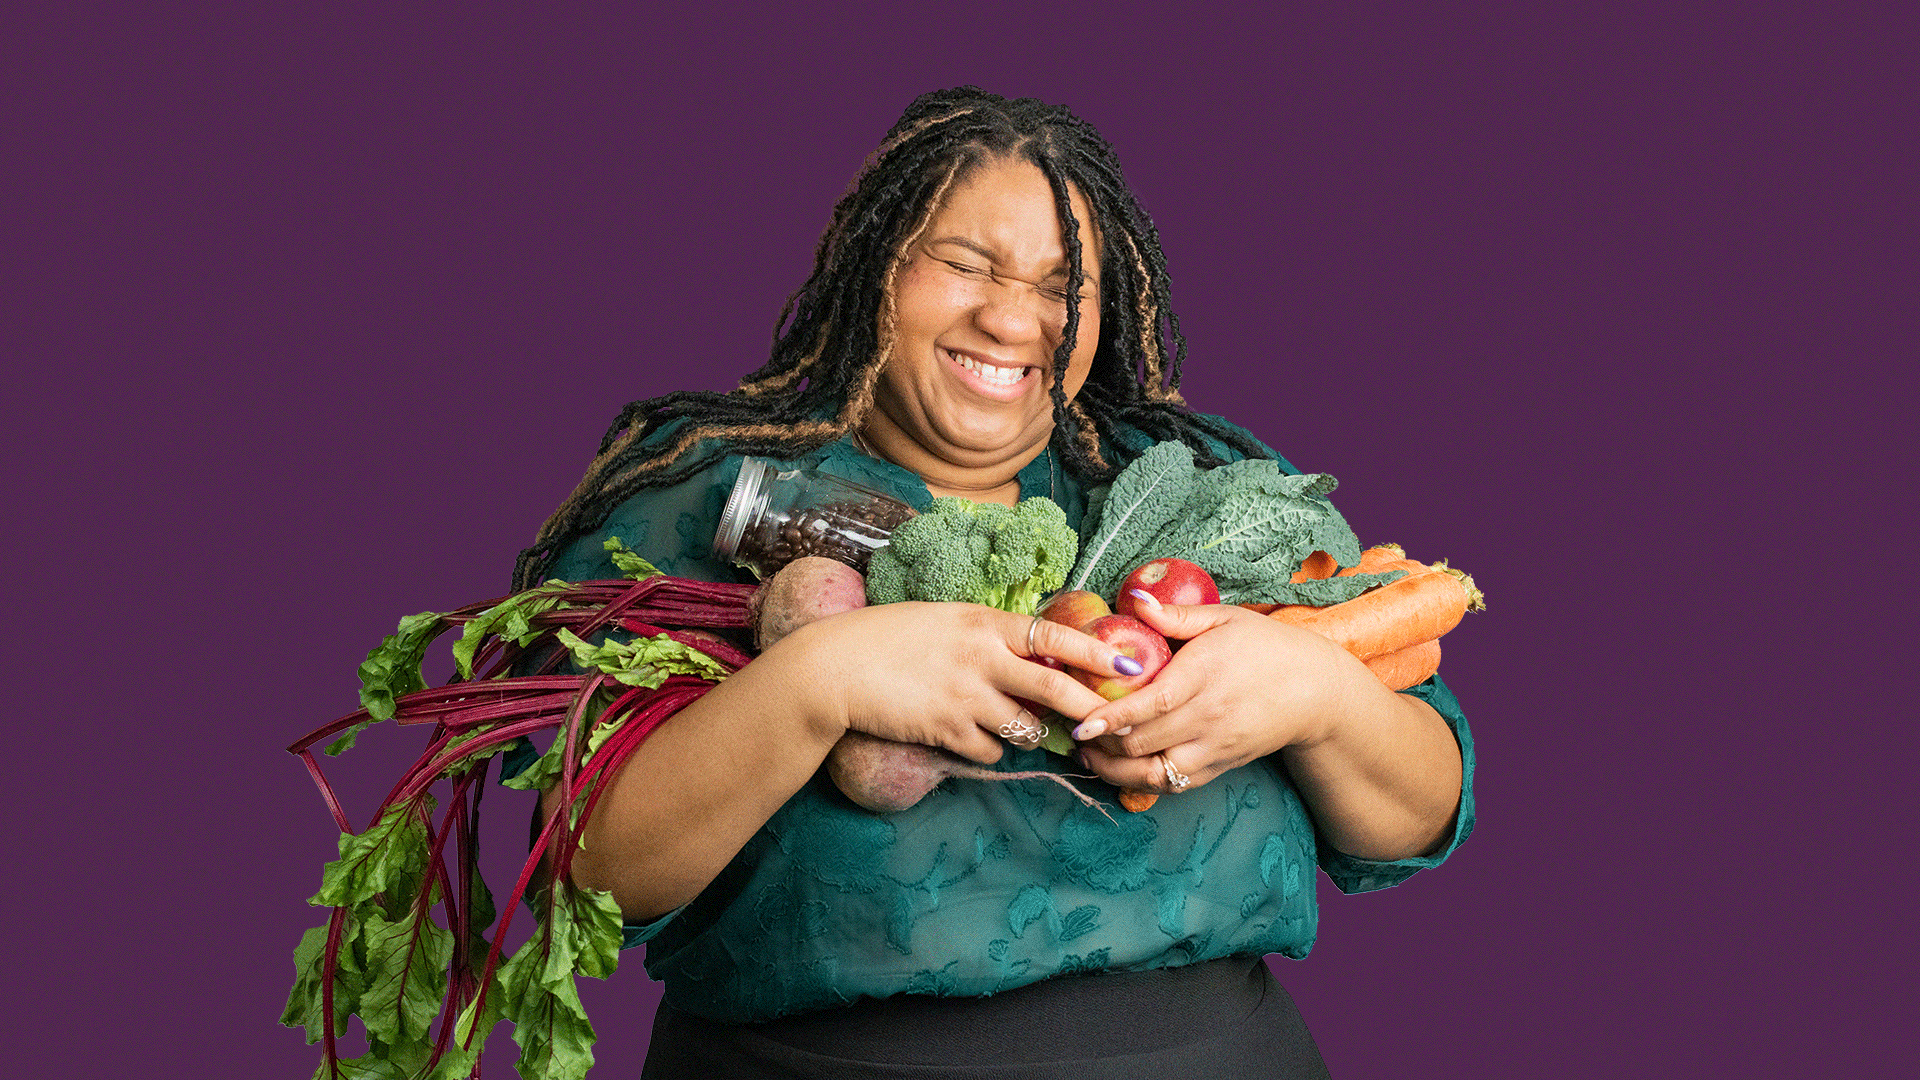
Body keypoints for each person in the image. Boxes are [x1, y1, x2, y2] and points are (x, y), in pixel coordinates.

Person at [504, 87, 1474, 1079]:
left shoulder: (1201, 490)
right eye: (966, 264)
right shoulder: (712, 496)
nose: (1011, 319)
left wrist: (1318, 694)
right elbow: (586, 877)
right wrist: (818, 684)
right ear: (876, 265)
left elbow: (1422, 815)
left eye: (1062, 287)